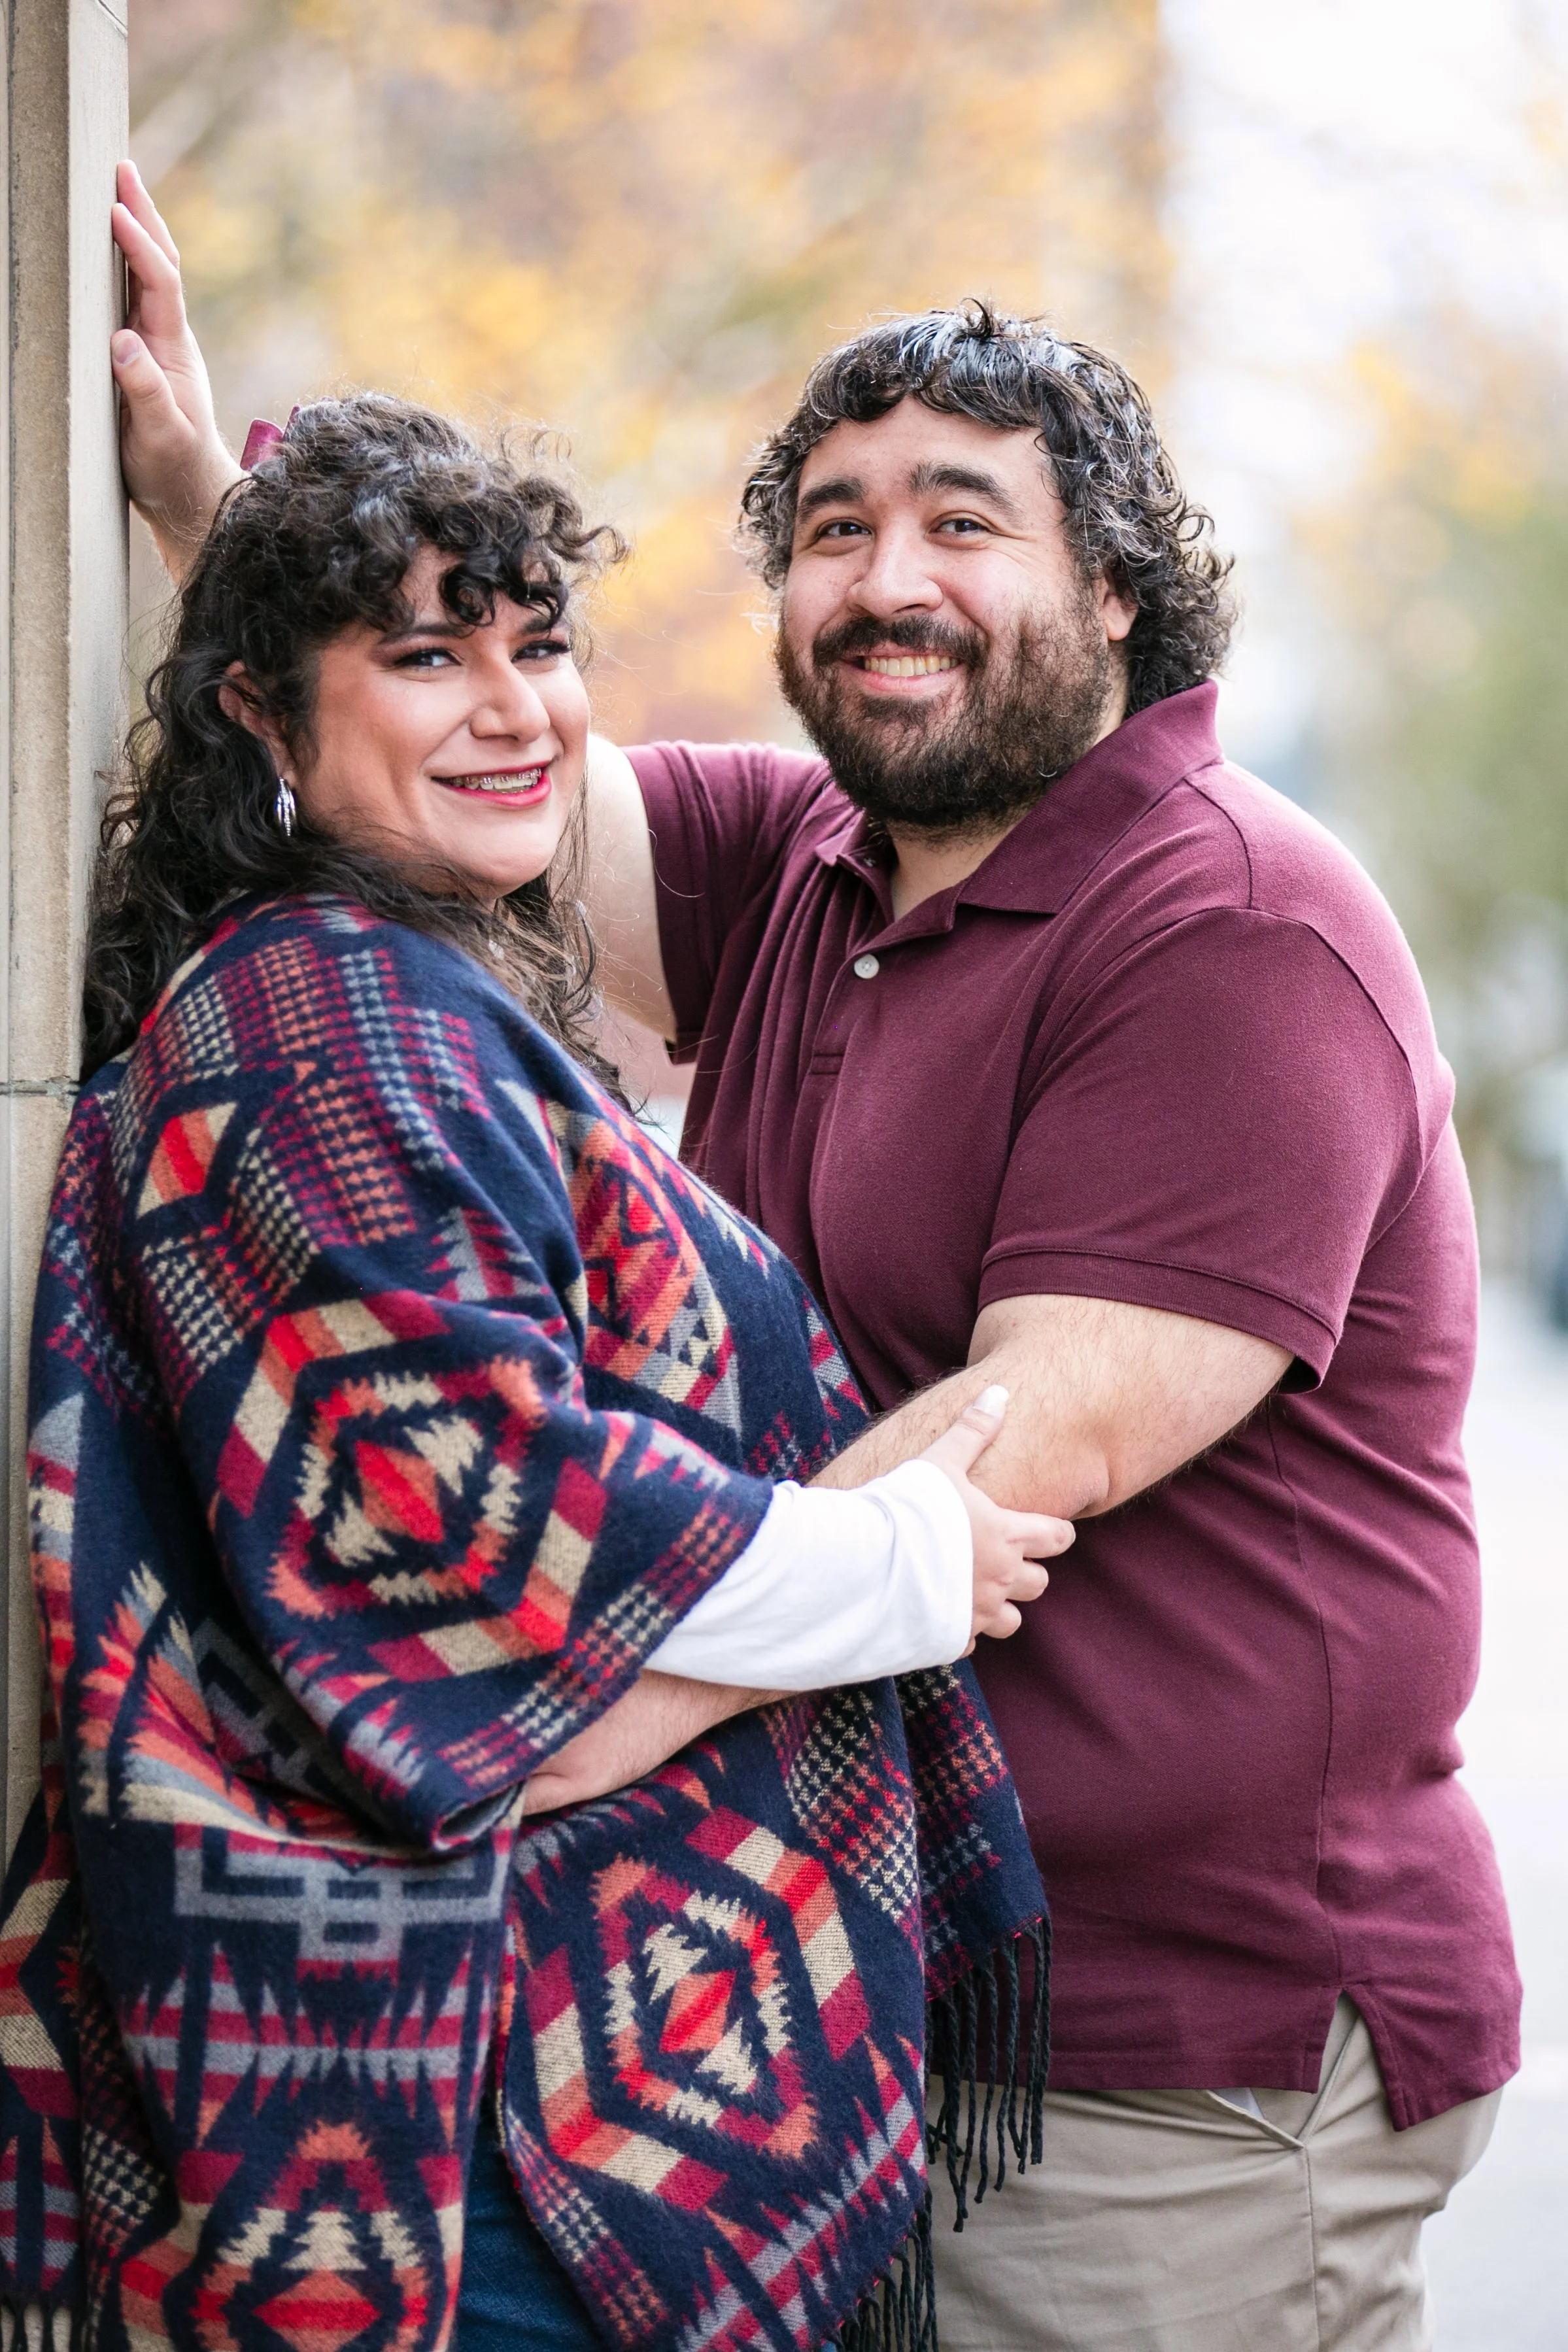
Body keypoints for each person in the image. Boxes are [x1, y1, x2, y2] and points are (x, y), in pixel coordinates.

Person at [109, 162, 1520, 2351]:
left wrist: (564, 1723)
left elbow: (1005, 1459)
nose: (888, 579)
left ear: (1121, 594)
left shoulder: (1228, 928)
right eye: (838, 527)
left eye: (965, 521)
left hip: (1169, 2059)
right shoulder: (811, 864)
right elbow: (472, 764)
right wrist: (226, 520)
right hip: (853, 1970)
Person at [0, 386, 1078, 2352]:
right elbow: (483, 1525)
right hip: (480, 2135)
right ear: (259, 711)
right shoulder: (328, 1024)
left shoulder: (389, 975)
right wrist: (906, 1559)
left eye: (538, 642)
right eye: (427, 657)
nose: (516, 709)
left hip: (524, 2075)